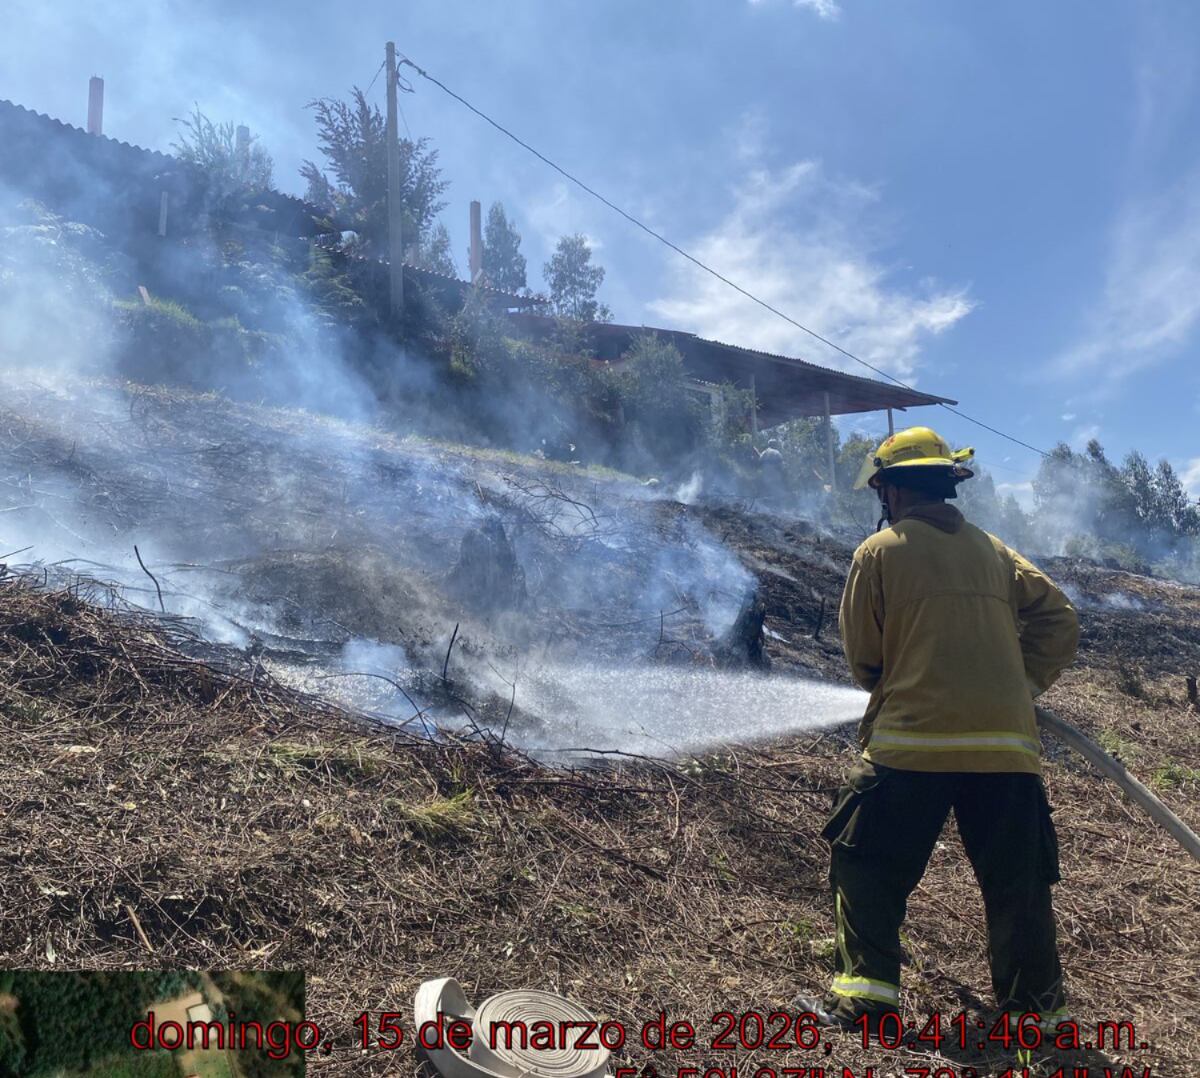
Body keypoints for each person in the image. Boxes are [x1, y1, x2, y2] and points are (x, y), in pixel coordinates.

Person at [796, 426, 1079, 1038]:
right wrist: (1019, 688)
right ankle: (1036, 1018)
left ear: (891, 490)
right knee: (1017, 886)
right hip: (1007, 750)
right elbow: (1059, 619)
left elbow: (865, 659)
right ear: (949, 484)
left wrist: (905, 677)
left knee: (865, 860)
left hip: (911, 743)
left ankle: (867, 1002)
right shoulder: (996, 552)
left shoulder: (880, 551)